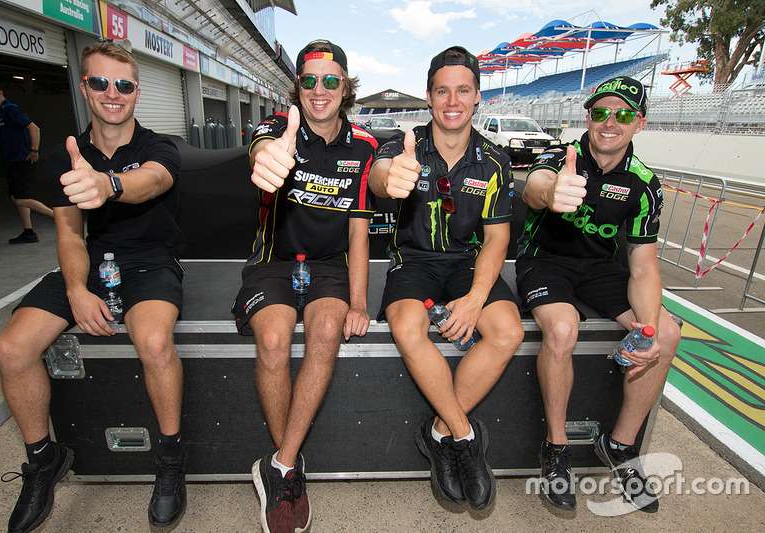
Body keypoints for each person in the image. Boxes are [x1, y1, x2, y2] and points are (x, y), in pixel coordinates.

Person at [0, 42, 187, 531]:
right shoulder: (65, 154)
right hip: (91, 264)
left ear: (137, 92)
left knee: (155, 341)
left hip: (149, 261)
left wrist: (109, 186)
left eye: (123, 84)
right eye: (100, 82)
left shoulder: (159, 145)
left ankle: (169, 460)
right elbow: (67, 234)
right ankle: (43, 460)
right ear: (85, 87)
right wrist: (78, 291)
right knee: (11, 348)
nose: (112, 93)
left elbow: (155, 180)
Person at [517, 75, 682, 513]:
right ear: (587, 117)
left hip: (599, 270)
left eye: (623, 114)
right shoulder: (560, 155)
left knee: (665, 332)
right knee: (563, 328)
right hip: (543, 260)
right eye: (601, 112)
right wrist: (552, 191)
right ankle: (556, 449)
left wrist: (646, 330)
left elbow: (643, 266)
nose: (610, 122)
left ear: (639, 123)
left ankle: (620, 446)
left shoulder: (645, 183)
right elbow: (533, 188)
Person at [369, 45, 524, 511]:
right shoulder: (402, 146)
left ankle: (436, 432)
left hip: (466, 265)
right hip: (412, 262)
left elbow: (498, 240)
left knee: (508, 331)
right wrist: (389, 177)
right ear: (430, 96)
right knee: (407, 327)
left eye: (462, 90)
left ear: (477, 96)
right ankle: (465, 437)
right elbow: (380, 176)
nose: (452, 100)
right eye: (442, 91)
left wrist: (477, 297)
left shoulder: (494, 160)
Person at [232, 40, 376, 533]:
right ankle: (289, 467)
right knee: (272, 340)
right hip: (271, 263)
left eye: (331, 80)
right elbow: (263, 147)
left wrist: (359, 302)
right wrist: (269, 156)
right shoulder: (276, 129)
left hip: (331, 267)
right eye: (309, 80)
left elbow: (359, 231)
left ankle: (280, 466)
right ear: (297, 86)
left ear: (345, 86)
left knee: (326, 333)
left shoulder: (364, 146)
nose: (319, 90)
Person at [0, 80, 54, 243]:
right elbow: (13, 134)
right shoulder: (1, 113)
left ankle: (59, 217)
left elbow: (34, 128)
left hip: (22, 159)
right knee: (16, 197)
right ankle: (29, 232)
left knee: (21, 198)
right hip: (12, 160)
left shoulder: (10, 110)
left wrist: (34, 151)